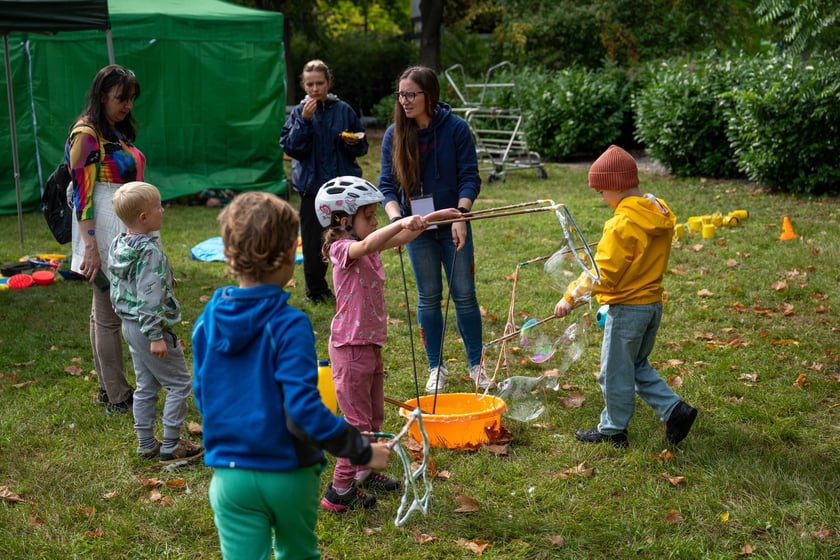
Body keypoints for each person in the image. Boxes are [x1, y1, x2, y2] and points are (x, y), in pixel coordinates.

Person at [191, 191, 392, 558]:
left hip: (228, 478)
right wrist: (361, 450)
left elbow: (203, 394)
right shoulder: (289, 324)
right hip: (287, 474)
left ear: (229, 255)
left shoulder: (207, 320)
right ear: (289, 255)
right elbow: (303, 410)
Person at [315, 176, 460, 512]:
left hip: (369, 345)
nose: (374, 222)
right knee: (357, 426)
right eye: (368, 216)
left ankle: (365, 470)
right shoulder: (343, 249)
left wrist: (435, 217)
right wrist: (399, 222)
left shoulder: (367, 241)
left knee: (374, 416)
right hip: (350, 349)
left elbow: (404, 234)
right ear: (342, 220)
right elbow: (367, 245)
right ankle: (339, 491)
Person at [553, 145, 698, 448]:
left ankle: (613, 430)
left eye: (601, 192)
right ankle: (675, 411)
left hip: (628, 309)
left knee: (614, 373)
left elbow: (602, 273)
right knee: (636, 364)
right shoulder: (655, 211)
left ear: (615, 186)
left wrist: (570, 297)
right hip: (651, 304)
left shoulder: (622, 224)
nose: (602, 198)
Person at [378, 65, 488, 394]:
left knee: (464, 295)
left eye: (411, 94)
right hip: (416, 228)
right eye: (400, 95)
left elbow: (470, 177)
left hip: (453, 224)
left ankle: (476, 365)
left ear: (430, 95)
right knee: (428, 297)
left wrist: (461, 215)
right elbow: (387, 186)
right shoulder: (394, 135)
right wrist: (397, 222)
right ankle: (435, 367)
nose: (404, 101)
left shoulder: (456, 129)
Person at [67, 64, 146, 414]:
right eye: (120, 98)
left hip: (120, 225)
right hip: (103, 230)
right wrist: (91, 247)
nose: (127, 105)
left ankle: (107, 389)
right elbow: (82, 197)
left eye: (131, 98)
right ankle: (117, 395)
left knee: (102, 313)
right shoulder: (86, 134)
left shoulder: (112, 130)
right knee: (109, 314)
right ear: (101, 96)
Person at [108, 181, 205, 465]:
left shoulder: (118, 244)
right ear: (144, 217)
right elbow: (148, 296)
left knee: (146, 385)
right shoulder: (149, 252)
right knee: (179, 384)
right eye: (158, 207)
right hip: (148, 328)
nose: (162, 210)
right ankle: (171, 445)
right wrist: (155, 335)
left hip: (129, 325)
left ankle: (146, 443)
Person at [280, 59, 369, 304]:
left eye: (319, 83)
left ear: (328, 83)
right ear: (303, 85)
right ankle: (317, 291)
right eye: (310, 84)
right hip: (311, 190)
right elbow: (291, 148)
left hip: (342, 191)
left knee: (346, 236)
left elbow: (362, 146)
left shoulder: (343, 110)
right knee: (313, 242)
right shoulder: (298, 113)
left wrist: (354, 142)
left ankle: (354, 286)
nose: (315, 89)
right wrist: (304, 122)